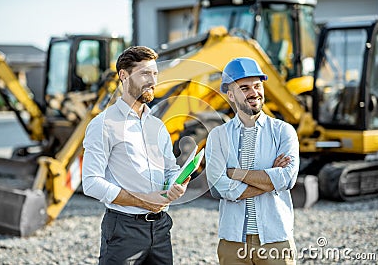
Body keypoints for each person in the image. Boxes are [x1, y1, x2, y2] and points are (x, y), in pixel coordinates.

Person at [82, 46, 190, 265]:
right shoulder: (103, 124)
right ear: (124, 75)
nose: (152, 81)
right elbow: (91, 183)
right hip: (123, 230)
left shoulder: (157, 126)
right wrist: (143, 200)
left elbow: (170, 169)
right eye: (144, 73)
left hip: (160, 228)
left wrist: (177, 184)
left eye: (155, 74)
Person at [205, 57, 300, 265]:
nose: (253, 93)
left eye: (257, 86)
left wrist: (234, 173)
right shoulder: (218, 136)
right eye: (245, 88)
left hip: (275, 241)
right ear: (230, 94)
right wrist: (269, 178)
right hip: (232, 243)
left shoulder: (284, 131)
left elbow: (287, 179)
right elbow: (218, 187)